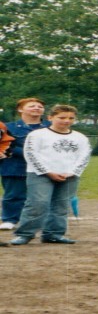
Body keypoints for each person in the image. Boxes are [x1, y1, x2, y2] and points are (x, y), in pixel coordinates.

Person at [8, 105, 91, 246]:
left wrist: (72, 172)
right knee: (38, 204)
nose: (66, 121)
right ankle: (25, 234)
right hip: (40, 174)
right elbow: (31, 155)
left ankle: (54, 234)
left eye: (71, 118)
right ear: (50, 117)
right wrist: (48, 172)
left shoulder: (80, 137)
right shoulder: (37, 135)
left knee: (62, 205)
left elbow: (84, 156)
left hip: (69, 176)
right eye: (62, 117)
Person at [1, 98, 49, 230]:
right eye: (32, 106)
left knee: (43, 195)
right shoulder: (7, 127)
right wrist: (30, 154)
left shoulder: (50, 126)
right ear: (20, 109)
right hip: (15, 166)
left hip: (45, 167)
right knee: (13, 195)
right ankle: (10, 219)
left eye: (40, 106)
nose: (36, 108)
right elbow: (5, 145)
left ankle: (43, 220)